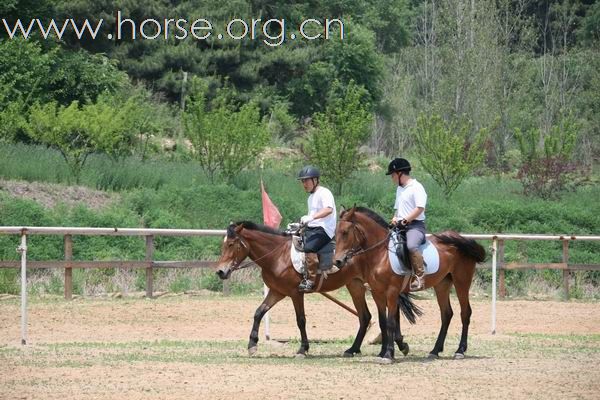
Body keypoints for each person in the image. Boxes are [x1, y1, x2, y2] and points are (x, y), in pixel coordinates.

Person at [386, 158, 427, 291]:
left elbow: (419, 208)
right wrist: (394, 218)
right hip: (400, 225)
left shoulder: (416, 187)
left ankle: (420, 277)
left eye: (392, 175)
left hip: (415, 225)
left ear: (400, 174)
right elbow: (398, 209)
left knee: (411, 245)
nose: (392, 178)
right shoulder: (400, 189)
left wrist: (405, 220)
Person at [296, 165, 337, 292]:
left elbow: (328, 210)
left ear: (315, 180)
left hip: (324, 229)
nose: (304, 184)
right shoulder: (310, 197)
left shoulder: (324, 192)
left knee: (309, 247)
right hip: (313, 228)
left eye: (306, 181)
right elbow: (311, 219)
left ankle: (310, 280)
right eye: (303, 181)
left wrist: (311, 217)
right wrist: (301, 224)